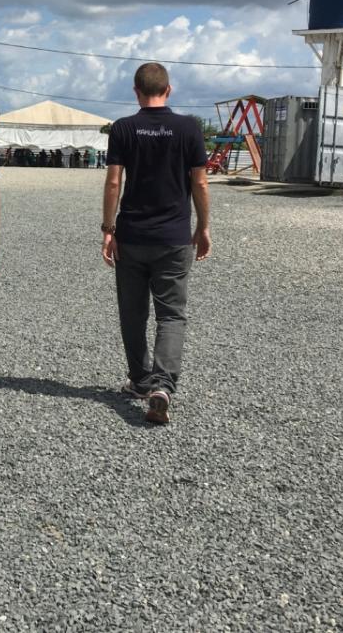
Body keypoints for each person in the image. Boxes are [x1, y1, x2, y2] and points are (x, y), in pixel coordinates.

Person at [101, 62, 211, 424]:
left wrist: (108, 228)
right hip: (174, 236)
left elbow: (114, 182)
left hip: (132, 235)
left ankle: (140, 379)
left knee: (133, 313)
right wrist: (204, 226)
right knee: (171, 314)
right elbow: (200, 183)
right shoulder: (189, 128)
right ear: (169, 89)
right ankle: (162, 386)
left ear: (135, 91)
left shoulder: (123, 129)